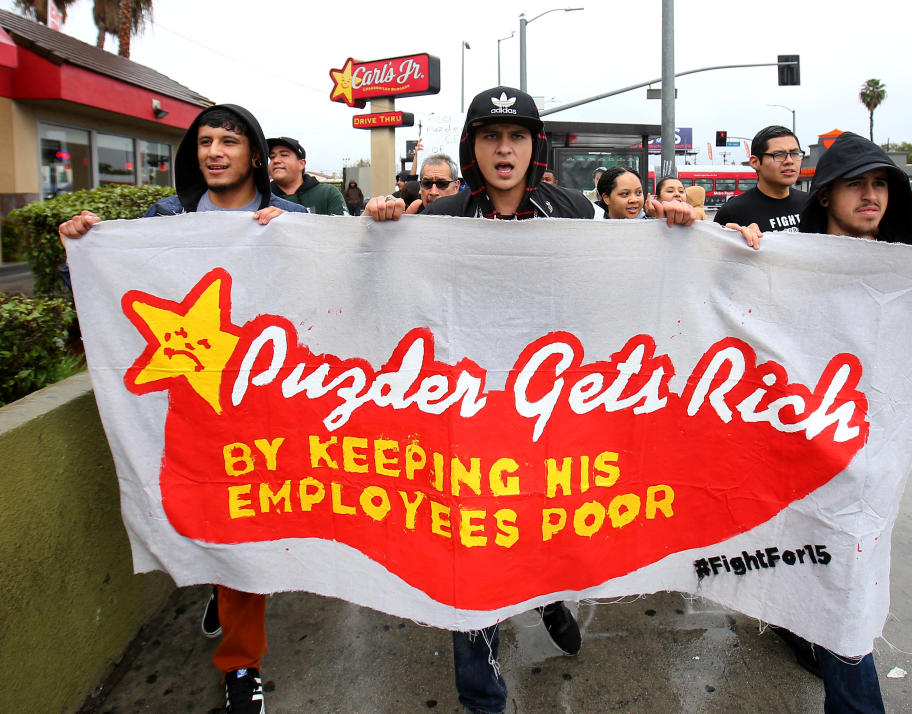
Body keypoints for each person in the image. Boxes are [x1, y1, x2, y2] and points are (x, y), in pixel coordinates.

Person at [365, 85, 696, 714]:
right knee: (470, 557)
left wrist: (670, 230)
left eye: (516, 136)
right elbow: (382, 290)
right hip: (466, 419)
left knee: (541, 523)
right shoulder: (437, 218)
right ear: (473, 148)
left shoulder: (571, 209)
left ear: (534, 146)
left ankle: (547, 593)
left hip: (551, 415)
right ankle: (482, 697)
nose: (504, 149)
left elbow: (621, 278)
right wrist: (378, 228)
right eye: (490, 137)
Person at [59, 104, 305, 714]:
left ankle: (239, 654)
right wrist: (85, 248)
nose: (213, 152)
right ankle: (238, 649)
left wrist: (302, 242)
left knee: (253, 528)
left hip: (268, 403)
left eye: (228, 141)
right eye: (203, 142)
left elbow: (351, 284)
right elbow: (108, 291)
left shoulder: (294, 217)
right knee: (222, 523)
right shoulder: (165, 218)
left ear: (254, 152)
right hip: (191, 406)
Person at [738, 131, 912, 712]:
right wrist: (729, 250)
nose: (872, 195)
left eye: (881, 183)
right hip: (795, 475)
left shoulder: (907, 277)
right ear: (827, 195)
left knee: (843, 607)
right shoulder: (783, 267)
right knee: (837, 606)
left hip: (866, 482)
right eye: (857, 184)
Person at [714, 125, 806, 234]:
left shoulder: (811, 204)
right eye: (779, 155)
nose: (789, 161)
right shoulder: (732, 212)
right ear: (755, 162)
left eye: (795, 154)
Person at [267, 136, 347, 215]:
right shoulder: (261, 196)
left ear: (301, 164)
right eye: (272, 157)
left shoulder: (327, 194)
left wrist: (290, 219)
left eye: (284, 155)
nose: (276, 160)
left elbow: (343, 226)